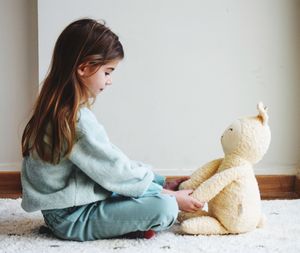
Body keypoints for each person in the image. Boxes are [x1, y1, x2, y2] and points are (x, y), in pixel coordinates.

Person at [21, 18, 203, 241]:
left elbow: (110, 163)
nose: (110, 81)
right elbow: (116, 172)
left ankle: (127, 221)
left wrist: (158, 181)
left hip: (69, 205)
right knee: (166, 208)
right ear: (84, 68)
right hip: (71, 217)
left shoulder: (58, 111)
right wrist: (172, 196)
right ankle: (126, 224)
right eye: (107, 72)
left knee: (142, 193)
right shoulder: (75, 120)